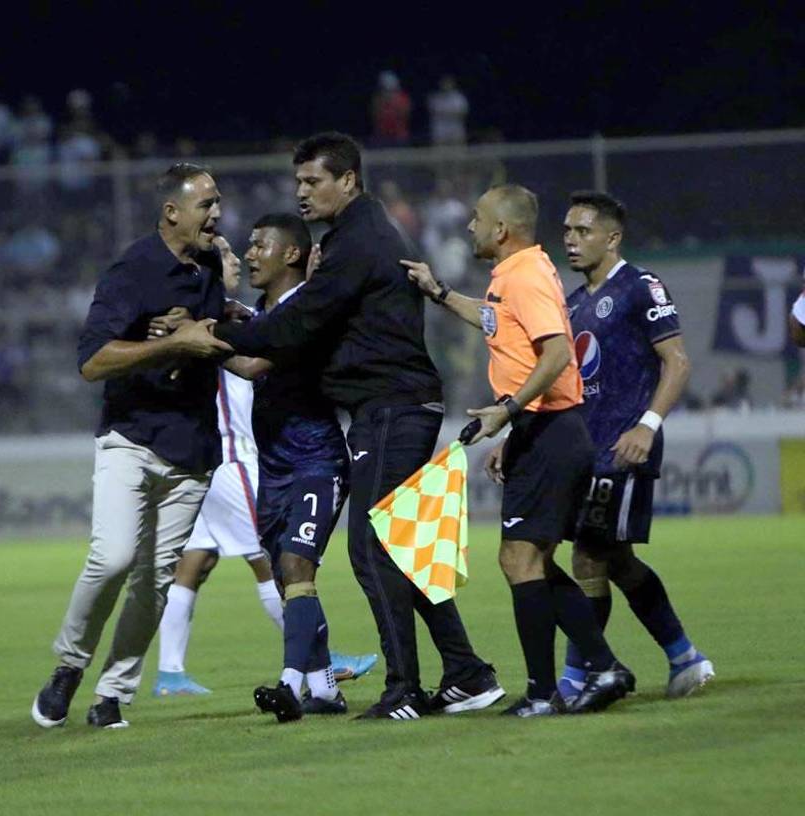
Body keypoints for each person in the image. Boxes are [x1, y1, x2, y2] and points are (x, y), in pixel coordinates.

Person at [212, 133, 501, 721]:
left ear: (348, 180)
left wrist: (214, 333)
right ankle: (467, 673)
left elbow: (298, 327)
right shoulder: (349, 238)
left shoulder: (357, 242)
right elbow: (305, 317)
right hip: (391, 407)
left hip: (392, 408)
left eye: (313, 181)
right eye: (297, 182)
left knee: (371, 549)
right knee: (403, 549)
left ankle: (403, 691)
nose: (301, 192)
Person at [404, 183, 635, 716]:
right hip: (542, 430)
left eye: (478, 218)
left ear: (501, 229)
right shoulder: (514, 274)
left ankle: (545, 690)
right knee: (525, 559)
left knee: (520, 558)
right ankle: (599, 666)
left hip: (552, 429)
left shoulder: (527, 276)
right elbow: (493, 321)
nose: (470, 228)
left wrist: (507, 412)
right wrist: (438, 292)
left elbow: (556, 355)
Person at [31, 163, 234, 730]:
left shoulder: (212, 263)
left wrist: (209, 322)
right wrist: (168, 345)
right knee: (113, 557)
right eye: (207, 204)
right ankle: (70, 665)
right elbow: (92, 361)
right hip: (132, 438)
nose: (217, 214)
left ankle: (112, 696)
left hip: (192, 449)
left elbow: (209, 325)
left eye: (218, 203)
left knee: (155, 583)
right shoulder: (134, 268)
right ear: (172, 211)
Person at [151, 231, 375, 702]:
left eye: (252, 247)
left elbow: (259, 347)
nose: (244, 256)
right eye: (234, 252)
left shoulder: (241, 316)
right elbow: (255, 352)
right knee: (273, 564)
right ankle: (320, 670)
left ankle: (290, 679)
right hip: (240, 458)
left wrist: (192, 332)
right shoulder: (227, 316)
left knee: (209, 561)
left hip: (260, 457)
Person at [554, 190, 712, 700]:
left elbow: (678, 362)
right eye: (568, 230)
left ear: (612, 237)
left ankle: (578, 678)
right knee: (617, 560)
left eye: (583, 231)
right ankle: (684, 657)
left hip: (624, 447)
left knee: (587, 557)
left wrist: (647, 426)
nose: (571, 240)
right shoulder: (574, 302)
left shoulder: (640, 285)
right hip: (588, 449)